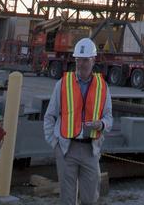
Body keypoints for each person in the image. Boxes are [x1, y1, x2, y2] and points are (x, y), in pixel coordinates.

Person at [43, 37, 113, 205]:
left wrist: (101, 124)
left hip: (90, 151)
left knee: (90, 198)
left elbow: (109, 117)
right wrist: (55, 144)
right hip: (67, 150)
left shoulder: (102, 87)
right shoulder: (62, 84)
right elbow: (49, 116)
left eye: (85, 60)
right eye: (78, 60)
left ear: (93, 60)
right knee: (67, 199)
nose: (81, 64)